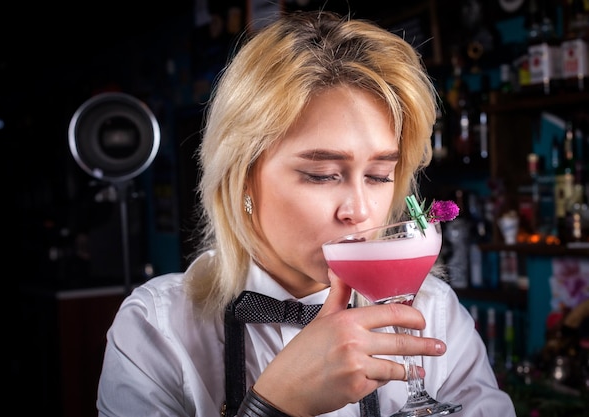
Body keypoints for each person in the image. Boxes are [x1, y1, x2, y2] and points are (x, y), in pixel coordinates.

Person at [97, 10, 516, 417]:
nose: (359, 211)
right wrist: (274, 406)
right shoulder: (156, 327)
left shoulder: (433, 312)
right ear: (241, 176)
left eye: (378, 175)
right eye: (322, 175)